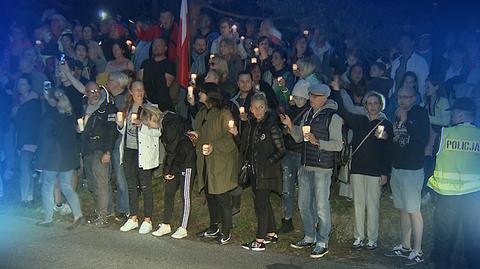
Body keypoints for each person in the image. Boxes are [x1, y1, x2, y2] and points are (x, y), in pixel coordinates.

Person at [281, 83, 343, 258]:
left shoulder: (333, 117)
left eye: (315, 96)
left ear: (324, 98)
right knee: (303, 204)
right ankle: (309, 236)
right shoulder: (308, 113)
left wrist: (318, 142)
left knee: (322, 206)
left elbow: (338, 145)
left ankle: (322, 241)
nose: (311, 99)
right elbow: (299, 136)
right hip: (306, 164)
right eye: (311, 95)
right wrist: (290, 125)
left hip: (323, 168)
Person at [331, 81, 393, 250]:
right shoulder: (359, 121)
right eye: (369, 103)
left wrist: (385, 172)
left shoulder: (385, 124)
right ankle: (358, 237)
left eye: (375, 103)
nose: (372, 106)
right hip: (358, 169)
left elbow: (387, 152)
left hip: (375, 171)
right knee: (358, 204)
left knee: (373, 205)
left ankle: (372, 239)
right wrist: (336, 91)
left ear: (381, 105)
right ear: (365, 105)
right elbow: (342, 111)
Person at [427, 98, 480, 269]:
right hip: (474, 195)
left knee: (444, 237)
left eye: (454, 113)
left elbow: (432, 156)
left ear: (461, 114)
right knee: (473, 237)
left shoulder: (444, 134)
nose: (452, 116)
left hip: (447, 196)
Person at [230, 92, 285, 251]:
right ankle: (271, 232)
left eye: (261, 107)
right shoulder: (251, 125)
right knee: (263, 202)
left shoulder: (272, 125)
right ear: (251, 109)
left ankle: (259, 241)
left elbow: (281, 150)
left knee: (260, 205)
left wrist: (268, 163)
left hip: (266, 172)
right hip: (254, 171)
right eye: (255, 107)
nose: (259, 110)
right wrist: (235, 134)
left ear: (266, 108)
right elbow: (245, 147)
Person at [384, 86, 430, 266]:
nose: (402, 100)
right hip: (397, 168)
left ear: (414, 98)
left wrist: (406, 120)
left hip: (412, 169)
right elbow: (397, 139)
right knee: (402, 208)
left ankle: (417, 250)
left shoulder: (419, 113)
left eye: (407, 97)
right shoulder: (397, 113)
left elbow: (422, 138)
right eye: (400, 96)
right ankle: (405, 245)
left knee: (414, 210)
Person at [192, 83, 239, 245]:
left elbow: (230, 138)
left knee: (222, 197)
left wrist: (214, 146)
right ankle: (214, 227)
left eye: (202, 92)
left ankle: (226, 231)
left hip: (221, 162)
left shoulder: (223, 113)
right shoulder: (202, 112)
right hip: (205, 161)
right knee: (210, 194)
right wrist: (195, 136)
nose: (199, 94)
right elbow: (201, 132)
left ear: (211, 95)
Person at [142, 105, 196, 239]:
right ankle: (166, 224)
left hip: (187, 160)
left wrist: (167, 169)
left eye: (147, 124)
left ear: (151, 118)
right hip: (177, 161)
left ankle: (183, 227)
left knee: (185, 194)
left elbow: (172, 148)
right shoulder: (167, 121)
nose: (149, 127)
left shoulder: (169, 122)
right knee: (169, 191)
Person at [35, 88, 83, 229]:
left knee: (46, 187)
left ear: (51, 100)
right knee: (67, 187)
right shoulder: (68, 115)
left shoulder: (48, 117)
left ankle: (48, 218)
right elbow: (73, 138)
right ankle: (78, 214)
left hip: (52, 159)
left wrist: (40, 162)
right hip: (67, 158)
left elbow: (45, 142)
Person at [117, 81, 160, 234]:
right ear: (130, 91)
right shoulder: (127, 108)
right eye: (136, 89)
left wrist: (143, 125)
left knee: (146, 186)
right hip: (129, 151)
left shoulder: (151, 107)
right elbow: (124, 132)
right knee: (131, 186)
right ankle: (133, 218)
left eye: (141, 89)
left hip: (144, 153)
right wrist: (120, 125)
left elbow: (158, 132)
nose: (139, 92)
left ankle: (148, 220)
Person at [81, 82, 118, 227]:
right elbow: (81, 131)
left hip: (100, 149)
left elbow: (112, 132)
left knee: (102, 183)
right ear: (86, 93)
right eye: (91, 91)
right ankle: (101, 212)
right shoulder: (84, 108)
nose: (95, 93)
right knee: (92, 184)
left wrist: (107, 151)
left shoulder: (108, 109)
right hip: (87, 150)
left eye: (97, 90)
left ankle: (103, 217)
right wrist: (79, 130)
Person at [278, 79, 311, 233]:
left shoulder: (310, 112)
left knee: (305, 191)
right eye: (296, 96)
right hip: (288, 152)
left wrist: (290, 126)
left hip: (302, 154)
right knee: (287, 189)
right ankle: (287, 219)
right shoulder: (291, 110)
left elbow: (301, 136)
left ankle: (309, 223)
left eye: (301, 97)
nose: (298, 100)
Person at [12, 76, 41, 206]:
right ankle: (27, 197)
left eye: (23, 84)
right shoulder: (23, 102)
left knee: (25, 168)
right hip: (24, 140)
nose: (20, 87)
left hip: (29, 140)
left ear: (29, 86)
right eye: (19, 84)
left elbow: (30, 124)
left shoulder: (33, 102)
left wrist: (16, 112)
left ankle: (27, 198)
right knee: (26, 168)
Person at [139, 38, 176, 112]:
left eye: (159, 45)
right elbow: (139, 81)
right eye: (154, 45)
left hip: (162, 104)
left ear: (165, 48)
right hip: (146, 101)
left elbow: (165, 85)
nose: (156, 47)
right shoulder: (145, 63)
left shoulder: (169, 64)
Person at [390, 32, 429, 98]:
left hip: (412, 99)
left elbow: (422, 83)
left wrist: (418, 99)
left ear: (412, 43)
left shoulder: (420, 62)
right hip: (396, 98)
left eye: (405, 41)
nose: (402, 44)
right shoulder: (396, 62)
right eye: (400, 42)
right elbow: (392, 81)